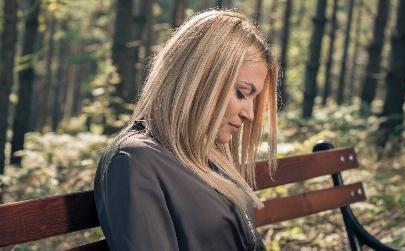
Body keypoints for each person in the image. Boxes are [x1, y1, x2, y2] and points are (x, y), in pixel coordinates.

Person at [93, 9, 279, 251]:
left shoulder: (205, 155)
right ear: (200, 78)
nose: (250, 114)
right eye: (241, 93)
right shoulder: (134, 161)